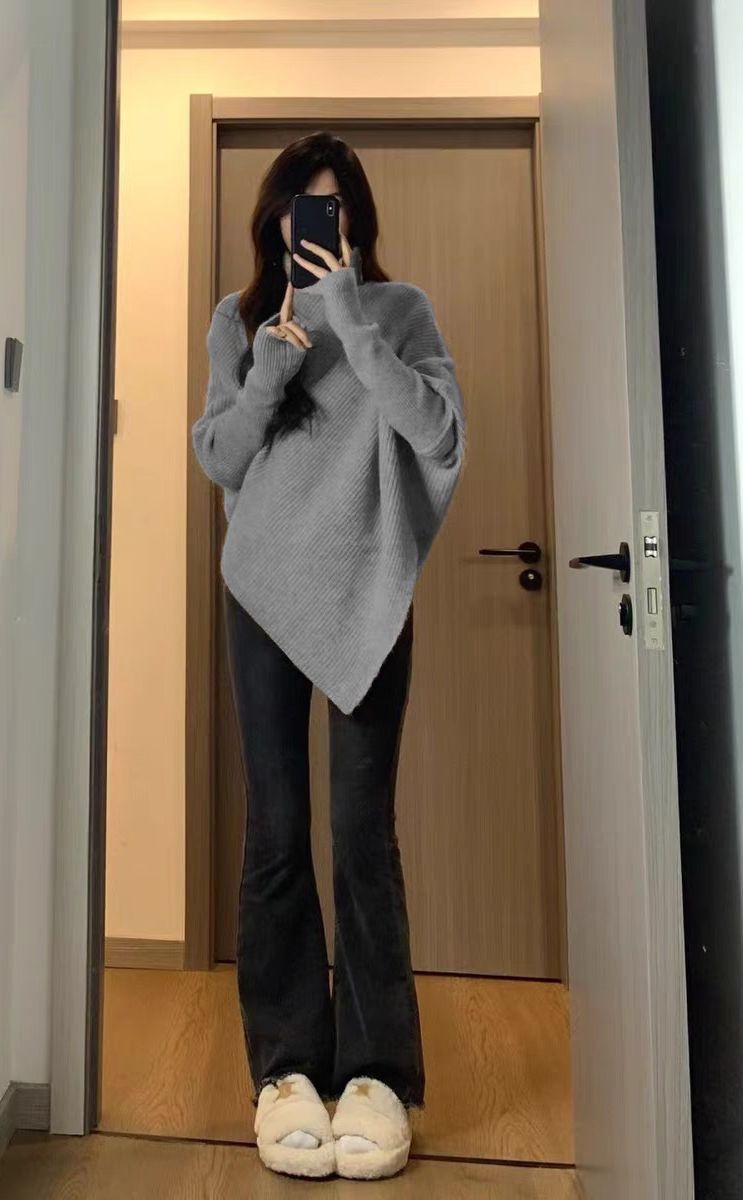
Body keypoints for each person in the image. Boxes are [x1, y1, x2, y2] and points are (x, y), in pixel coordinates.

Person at [191, 131, 465, 1181]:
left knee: (361, 833)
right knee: (275, 831)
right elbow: (220, 457)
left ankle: (378, 1075)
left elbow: (439, 434)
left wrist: (351, 318)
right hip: (263, 590)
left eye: (335, 208)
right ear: (273, 218)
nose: (319, 225)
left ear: (357, 218)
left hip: (368, 590)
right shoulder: (239, 317)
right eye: (302, 208)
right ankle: (286, 1070)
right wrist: (269, 371)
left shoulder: (400, 309)